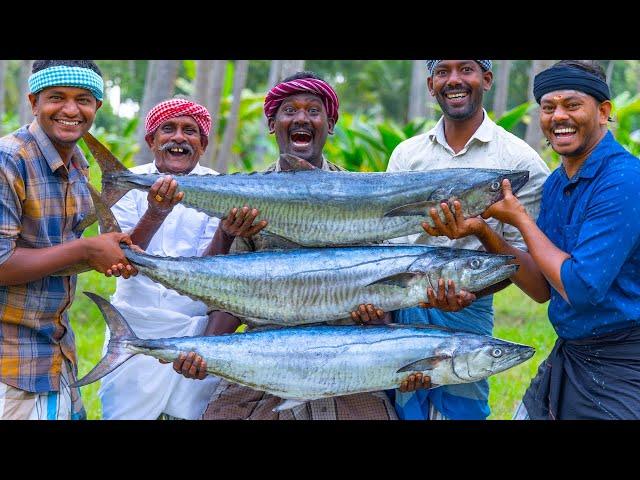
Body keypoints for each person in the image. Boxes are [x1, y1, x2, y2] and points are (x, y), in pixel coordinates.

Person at [197, 71, 399, 420]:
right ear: (273, 124)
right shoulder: (250, 196)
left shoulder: (361, 195)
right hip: (268, 357)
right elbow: (224, 291)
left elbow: (385, 284)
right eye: (289, 110)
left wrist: (377, 318)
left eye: (313, 111)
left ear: (330, 123)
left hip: (346, 363)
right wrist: (205, 352)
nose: (302, 118)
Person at [385, 60, 551, 420]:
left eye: (467, 69)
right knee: (400, 405)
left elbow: (528, 269)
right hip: (402, 311)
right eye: (443, 71)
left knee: (463, 408)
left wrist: (473, 285)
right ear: (431, 84)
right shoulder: (406, 155)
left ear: (486, 79)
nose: (454, 80)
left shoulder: (519, 163)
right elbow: (389, 247)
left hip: (469, 315)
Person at [482, 60, 640, 419]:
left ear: (603, 112)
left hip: (625, 363)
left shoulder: (625, 181)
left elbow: (581, 288)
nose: (558, 117)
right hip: (570, 355)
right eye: (548, 107)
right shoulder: (557, 184)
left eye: (572, 105)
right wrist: (484, 231)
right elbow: (542, 287)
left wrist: (520, 218)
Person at [97, 98, 266, 420]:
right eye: (168, 129)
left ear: (202, 145)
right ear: (152, 141)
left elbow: (207, 273)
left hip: (196, 327)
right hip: (135, 324)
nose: (179, 137)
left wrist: (226, 234)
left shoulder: (220, 187)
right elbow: (121, 259)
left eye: (190, 131)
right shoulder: (126, 183)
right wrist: (156, 211)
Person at [0, 60, 137, 420]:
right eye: (56, 97)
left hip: (55, 353)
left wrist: (108, 252)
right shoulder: (9, 160)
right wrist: (87, 248)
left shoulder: (78, 164)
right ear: (34, 101)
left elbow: (52, 253)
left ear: (97, 108)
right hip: (10, 364)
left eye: (84, 99)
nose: (70, 110)